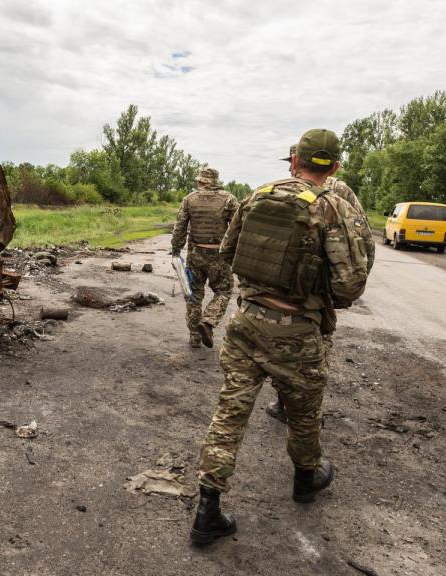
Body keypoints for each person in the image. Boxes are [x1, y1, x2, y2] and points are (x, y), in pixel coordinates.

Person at [190, 129, 373, 546]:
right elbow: (349, 287)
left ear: (295, 161)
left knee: (230, 412)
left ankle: (207, 510)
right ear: (336, 167)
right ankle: (305, 481)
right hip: (298, 333)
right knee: (303, 414)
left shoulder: (257, 196)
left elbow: (229, 252)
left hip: (246, 323)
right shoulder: (333, 207)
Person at [264, 145, 376, 423]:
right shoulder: (334, 190)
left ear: (297, 161)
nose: (290, 168)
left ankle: (296, 410)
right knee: (306, 347)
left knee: (297, 347)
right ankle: (295, 407)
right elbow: (365, 242)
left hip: (298, 288)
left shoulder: (286, 190)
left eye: (291, 163)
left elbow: (363, 239)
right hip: (314, 290)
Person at [170, 167, 239, 348]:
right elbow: (239, 227)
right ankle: (208, 320)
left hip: (195, 255)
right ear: (215, 182)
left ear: (201, 181)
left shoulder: (189, 200)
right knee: (223, 291)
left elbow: (179, 228)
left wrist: (176, 251)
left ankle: (194, 336)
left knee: (193, 295)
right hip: (220, 256)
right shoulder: (229, 199)